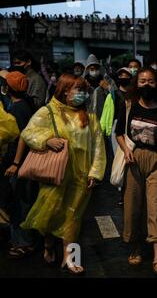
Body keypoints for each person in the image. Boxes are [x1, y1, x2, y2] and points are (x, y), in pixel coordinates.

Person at [20, 74, 106, 275]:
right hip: (56, 175)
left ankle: (70, 258)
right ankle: (49, 244)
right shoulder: (49, 111)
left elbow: (98, 147)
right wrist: (46, 140)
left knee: (73, 217)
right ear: (65, 90)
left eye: (84, 90)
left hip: (81, 177)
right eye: (78, 89)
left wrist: (95, 172)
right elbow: (28, 132)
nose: (82, 94)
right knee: (52, 213)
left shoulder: (90, 116)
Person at [115, 68, 157, 274]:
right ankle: (135, 248)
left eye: (150, 81)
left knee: (155, 210)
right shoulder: (128, 105)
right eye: (142, 81)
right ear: (136, 84)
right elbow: (118, 134)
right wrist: (125, 151)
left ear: (156, 84)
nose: (146, 85)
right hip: (134, 158)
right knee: (132, 208)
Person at [0, 71, 38, 258]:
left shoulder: (17, 110)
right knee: (21, 202)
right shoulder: (25, 105)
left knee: (19, 203)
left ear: (8, 88)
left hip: (19, 165)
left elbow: (22, 137)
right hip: (22, 163)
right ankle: (25, 240)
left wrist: (15, 163)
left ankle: (23, 242)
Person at [111, 67, 133, 206]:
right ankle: (122, 192)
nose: (123, 77)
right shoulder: (113, 94)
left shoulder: (134, 94)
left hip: (131, 128)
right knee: (119, 158)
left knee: (129, 159)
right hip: (117, 127)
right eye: (121, 75)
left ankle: (129, 191)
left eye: (126, 75)